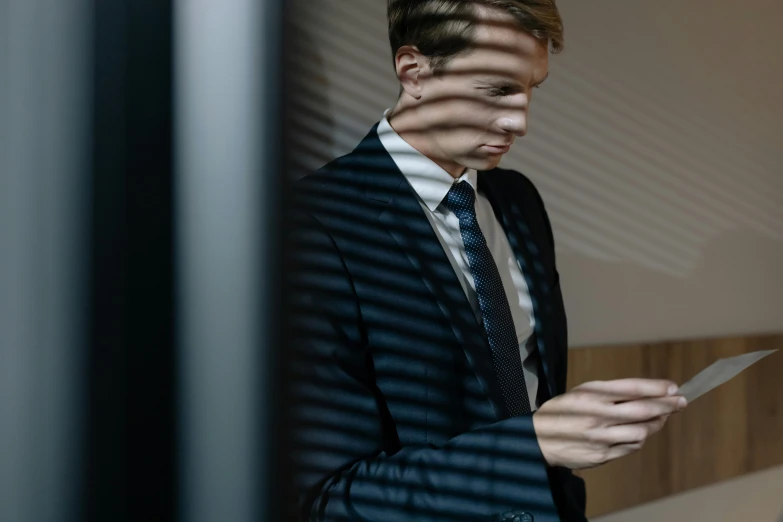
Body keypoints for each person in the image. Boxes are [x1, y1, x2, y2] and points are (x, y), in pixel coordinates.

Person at [287, 1, 688, 520]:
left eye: (530, 90)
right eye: (497, 89)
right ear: (415, 73)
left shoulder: (517, 201)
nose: (519, 121)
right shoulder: (316, 226)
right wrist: (535, 445)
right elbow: (331, 496)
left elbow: (523, 387)